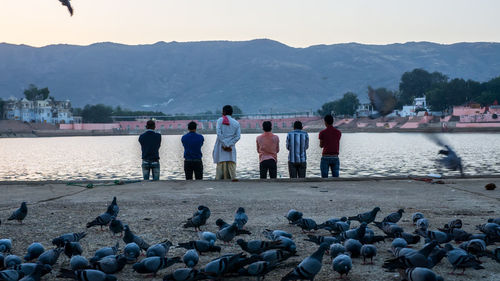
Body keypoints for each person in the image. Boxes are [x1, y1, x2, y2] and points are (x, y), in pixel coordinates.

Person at [213, 105, 241, 180]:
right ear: (231, 113)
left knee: (220, 164)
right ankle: (232, 178)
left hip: (220, 146)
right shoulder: (236, 123)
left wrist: (225, 143)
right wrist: (229, 144)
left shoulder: (220, 120)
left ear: (223, 112)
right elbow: (238, 137)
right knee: (231, 164)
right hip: (230, 147)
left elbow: (219, 134)